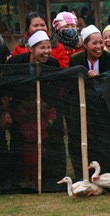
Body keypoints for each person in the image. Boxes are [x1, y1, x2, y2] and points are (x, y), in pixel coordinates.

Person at [6, 31, 59, 189]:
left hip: (42, 109)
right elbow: (8, 85)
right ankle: (19, 179)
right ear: (31, 49)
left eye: (49, 47)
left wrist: (44, 105)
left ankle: (42, 179)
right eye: (42, 48)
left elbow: (55, 89)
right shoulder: (15, 62)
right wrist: (17, 106)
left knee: (42, 147)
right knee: (19, 146)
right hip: (18, 109)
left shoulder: (52, 64)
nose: (47, 52)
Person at [68, 25, 110, 180]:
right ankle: (84, 176)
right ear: (85, 45)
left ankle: (108, 175)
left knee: (106, 141)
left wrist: (100, 78)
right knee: (83, 141)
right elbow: (71, 85)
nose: (99, 47)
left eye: (101, 42)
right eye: (94, 43)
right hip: (83, 108)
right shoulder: (76, 60)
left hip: (105, 109)